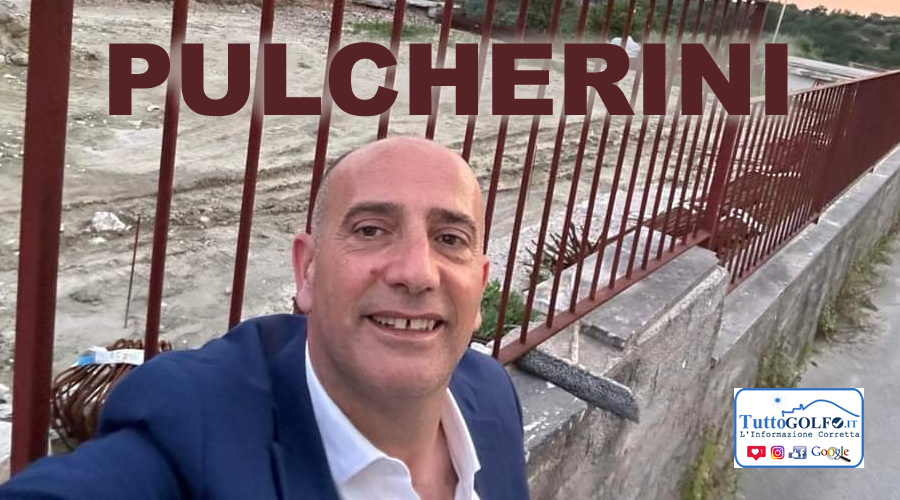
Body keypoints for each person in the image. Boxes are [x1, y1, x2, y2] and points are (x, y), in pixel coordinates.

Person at [0, 137, 529, 499]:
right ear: (307, 271)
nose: (416, 272)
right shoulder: (193, 432)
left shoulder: (489, 396)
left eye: (449, 239)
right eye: (371, 230)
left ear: (480, 284)